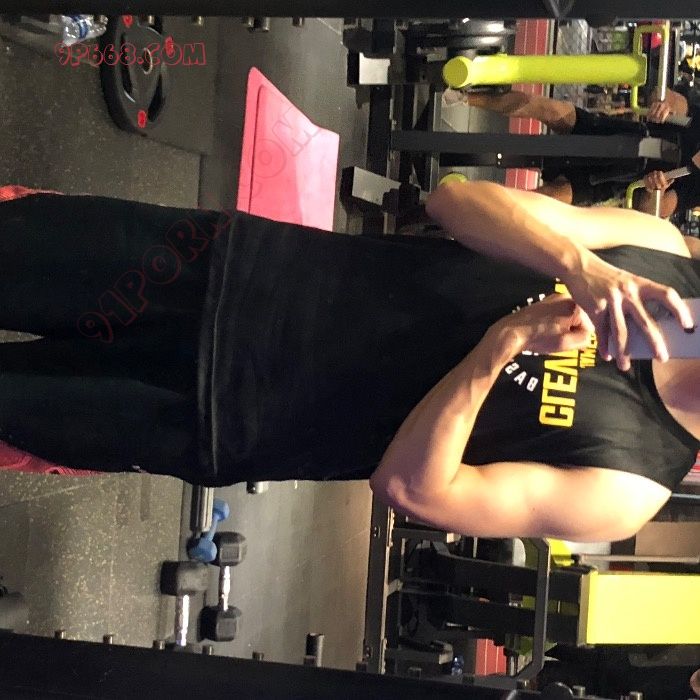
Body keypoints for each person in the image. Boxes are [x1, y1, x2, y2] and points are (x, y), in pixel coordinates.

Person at [0, 181, 698, 544]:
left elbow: (414, 492)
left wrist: (498, 350)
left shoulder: (627, 490)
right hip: (229, 270)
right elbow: (454, 200)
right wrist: (574, 263)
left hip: (217, 413)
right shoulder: (658, 251)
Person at [462, 87, 700, 218]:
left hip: (605, 180)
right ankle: (463, 98)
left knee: (537, 204)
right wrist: (661, 105)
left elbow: (652, 212)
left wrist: (654, 190)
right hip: (610, 132)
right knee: (548, 108)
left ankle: (463, 211)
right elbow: (666, 96)